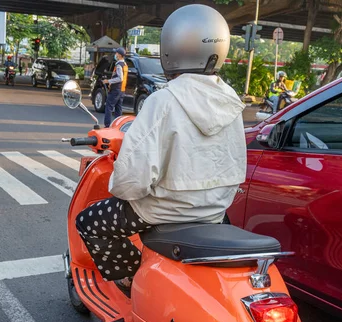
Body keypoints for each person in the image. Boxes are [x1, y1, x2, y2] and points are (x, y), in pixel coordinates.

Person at [75, 4, 246, 296]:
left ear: (172, 47)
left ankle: (132, 279)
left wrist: (120, 186)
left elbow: (130, 182)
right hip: (215, 212)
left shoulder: (164, 101)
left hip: (163, 212)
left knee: (89, 222)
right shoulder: (231, 101)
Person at [103, 47, 128, 127]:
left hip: (116, 89)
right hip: (122, 89)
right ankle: (118, 126)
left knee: (109, 107)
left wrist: (108, 81)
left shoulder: (119, 65)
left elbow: (120, 78)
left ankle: (107, 126)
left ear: (119, 55)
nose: (115, 54)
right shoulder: (125, 64)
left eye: (116, 53)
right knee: (118, 109)